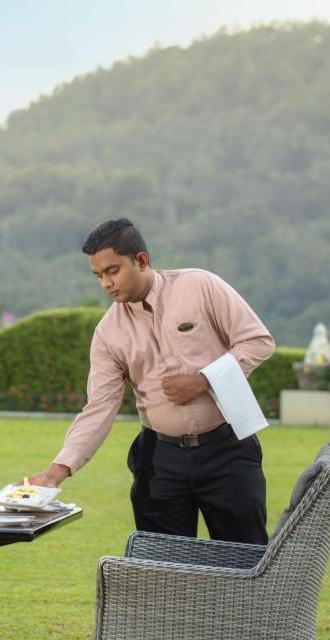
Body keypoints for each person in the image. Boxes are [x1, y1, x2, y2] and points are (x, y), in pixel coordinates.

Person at [27, 217, 275, 544]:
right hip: (160, 462)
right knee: (160, 565)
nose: (106, 284)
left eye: (113, 271)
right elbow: (98, 408)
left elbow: (258, 341)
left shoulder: (199, 286)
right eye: (99, 276)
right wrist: (55, 472)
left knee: (244, 557)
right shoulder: (108, 334)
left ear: (141, 260)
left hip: (228, 450)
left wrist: (204, 379)